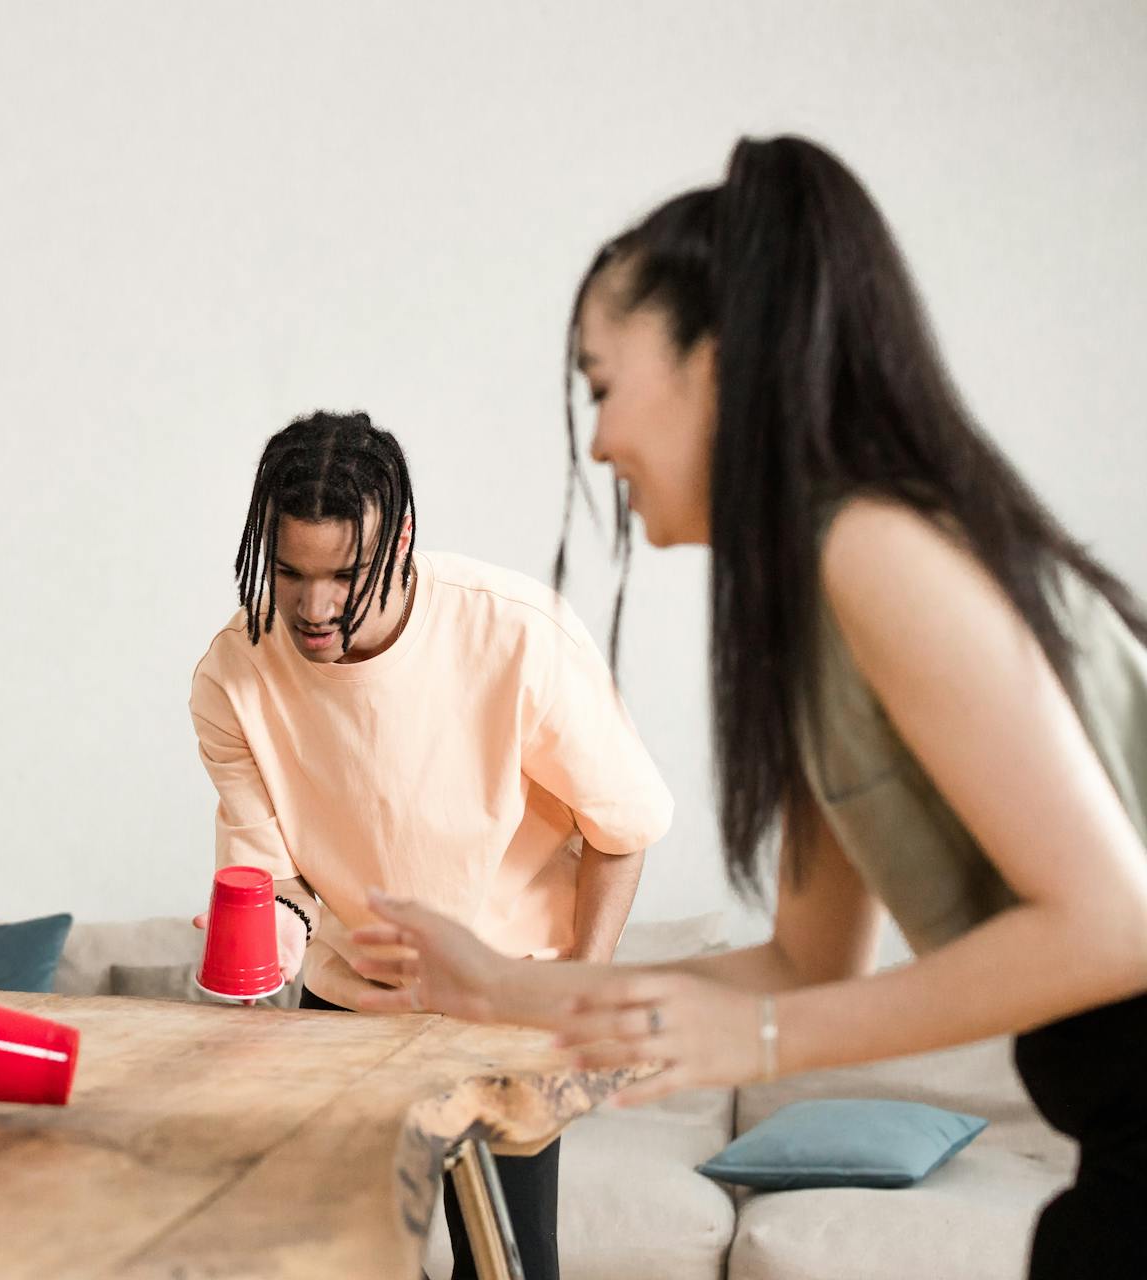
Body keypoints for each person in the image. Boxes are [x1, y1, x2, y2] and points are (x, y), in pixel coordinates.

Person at [352, 137, 1147, 1279]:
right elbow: (805, 964)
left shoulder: (876, 549)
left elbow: (1114, 924)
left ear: (716, 362)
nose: (597, 440)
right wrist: (506, 981)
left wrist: (761, 1042)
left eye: (603, 383)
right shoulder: (817, 607)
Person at [189, 410, 673, 1280]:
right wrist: (270, 939)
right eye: (291, 572)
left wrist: (573, 989)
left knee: (510, 1269)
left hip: (504, 1002)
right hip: (347, 1012)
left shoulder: (516, 635)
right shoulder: (235, 672)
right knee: (345, 1266)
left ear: (402, 536)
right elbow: (280, 882)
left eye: (344, 575)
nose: (315, 606)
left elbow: (623, 832)